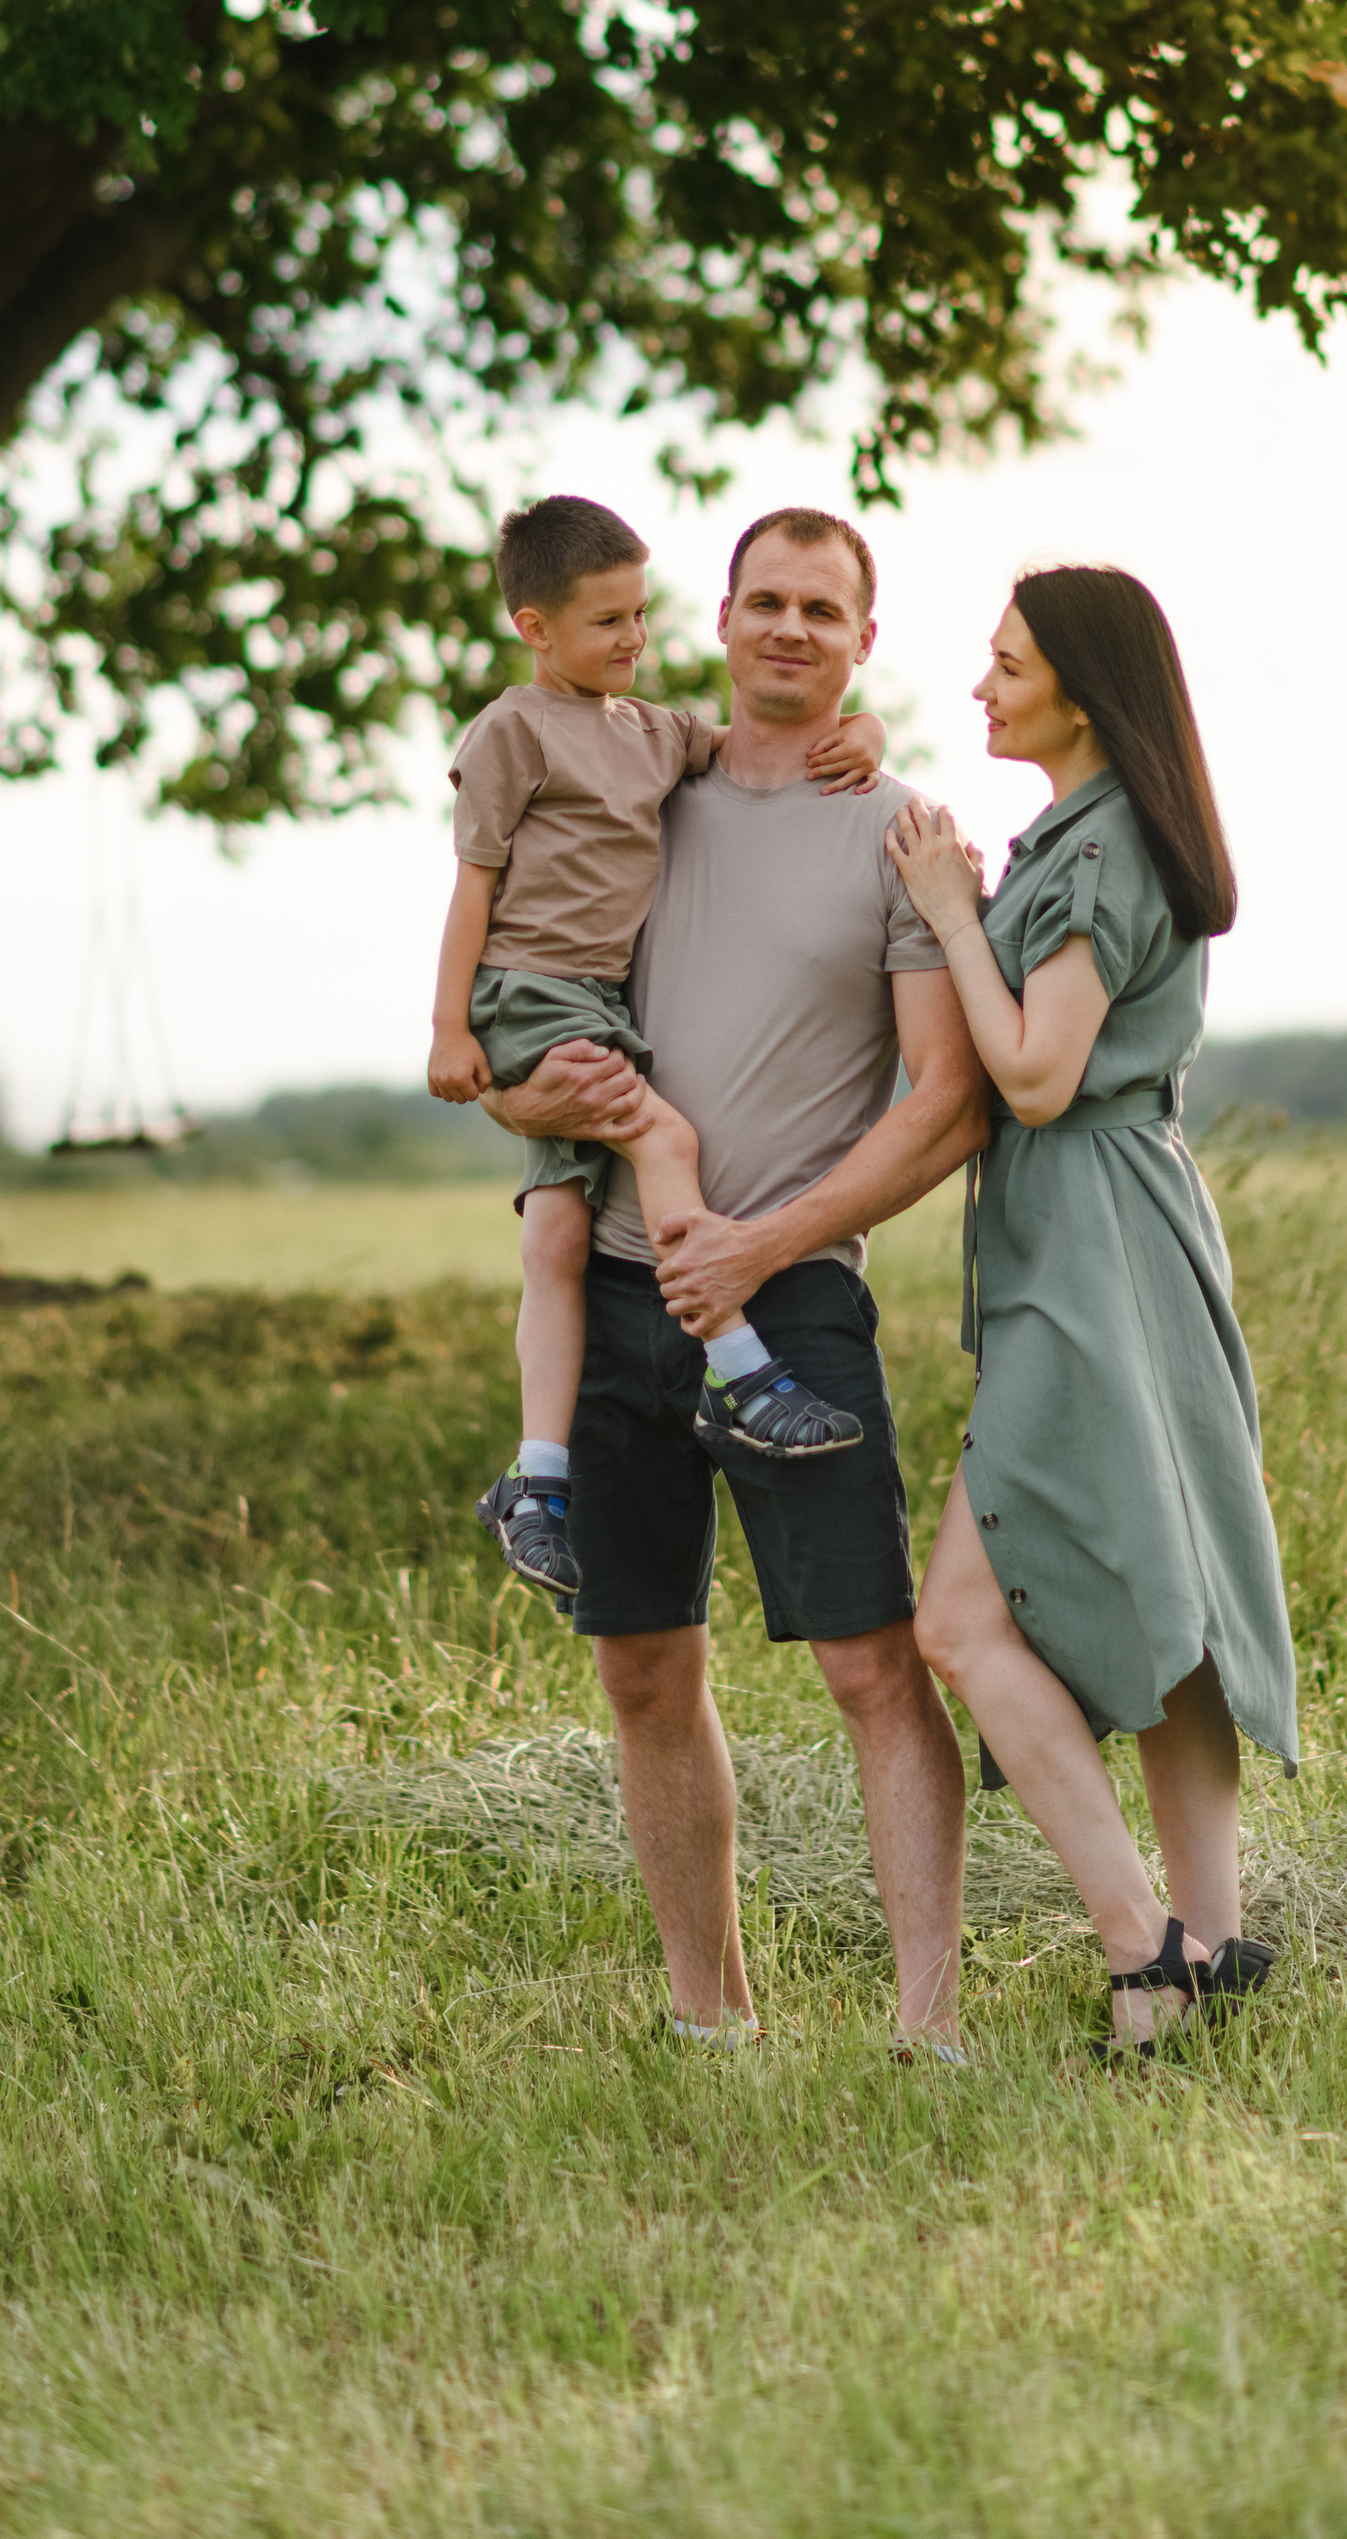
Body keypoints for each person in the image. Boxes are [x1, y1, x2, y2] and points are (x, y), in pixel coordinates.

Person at [490, 508, 991, 2053]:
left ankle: (928, 2024)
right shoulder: (644, 778)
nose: (789, 628)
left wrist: (764, 1245)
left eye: (821, 611)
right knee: (644, 1663)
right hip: (626, 1291)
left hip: (791, 1300)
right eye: (764, 601)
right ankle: (709, 2018)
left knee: (868, 1659)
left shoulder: (898, 830)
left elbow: (942, 1104)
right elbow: (531, 1013)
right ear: (719, 618)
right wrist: (523, 1102)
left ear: (862, 640)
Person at [886, 565, 1299, 2056]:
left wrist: (945, 912)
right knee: (1170, 1599)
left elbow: (1038, 1075)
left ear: (1078, 683)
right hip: (1124, 1222)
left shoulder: (1103, 841)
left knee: (955, 1615)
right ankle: (1213, 1949)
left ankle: (1146, 1948)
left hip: (1091, 1236)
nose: (982, 688)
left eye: (1005, 664)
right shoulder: (1100, 829)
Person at [431, 494, 888, 1610]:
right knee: (657, 1130)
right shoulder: (511, 731)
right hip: (533, 998)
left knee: (553, 1236)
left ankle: (535, 1481)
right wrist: (457, 1037)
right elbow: (473, 887)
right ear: (536, 628)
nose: (633, 641)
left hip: (596, 1011)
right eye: (606, 625)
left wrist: (864, 732)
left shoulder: (652, 735)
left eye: (641, 618)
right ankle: (739, 1368)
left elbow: (752, 741)